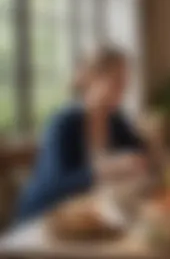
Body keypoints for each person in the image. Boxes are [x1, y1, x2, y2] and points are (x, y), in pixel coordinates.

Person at [17, 45, 146, 223]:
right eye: (117, 82)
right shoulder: (64, 124)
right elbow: (56, 186)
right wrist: (102, 171)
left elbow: (141, 156)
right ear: (93, 79)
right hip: (42, 221)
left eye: (125, 83)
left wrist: (146, 152)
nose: (123, 90)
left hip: (89, 218)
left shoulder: (116, 120)